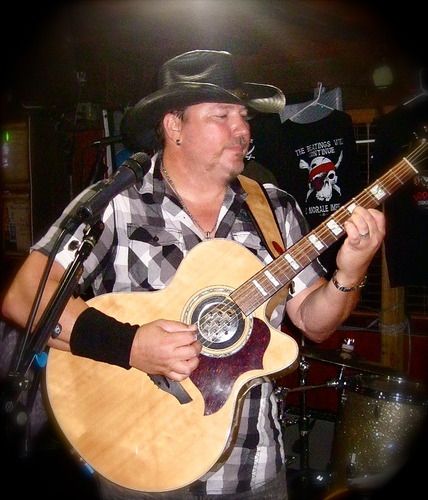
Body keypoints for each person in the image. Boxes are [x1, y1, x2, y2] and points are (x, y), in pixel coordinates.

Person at [1, 49, 385, 499]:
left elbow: (314, 323)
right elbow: (25, 296)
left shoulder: (274, 208)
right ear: (174, 126)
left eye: (244, 116)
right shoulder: (116, 203)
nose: (242, 129)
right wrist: (130, 345)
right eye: (222, 115)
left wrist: (350, 271)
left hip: (250, 468)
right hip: (139, 460)